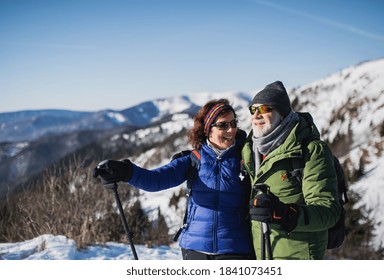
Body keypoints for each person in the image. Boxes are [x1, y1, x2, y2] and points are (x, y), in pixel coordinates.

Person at [93, 99, 254, 260]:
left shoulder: (246, 158)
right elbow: (155, 180)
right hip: (195, 249)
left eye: (233, 123)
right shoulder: (194, 159)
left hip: (234, 249)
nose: (231, 129)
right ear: (208, 129)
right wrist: (125, 171)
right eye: (223, 125)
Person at [241, 81, 342, 260]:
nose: (256, 115)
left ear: (282, 113)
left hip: (298, 256)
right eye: (253, 109)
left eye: (264, 109)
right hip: (262, 254)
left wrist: (287, 214)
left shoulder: (310, 150)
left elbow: (329, 211)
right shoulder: (251, 150)